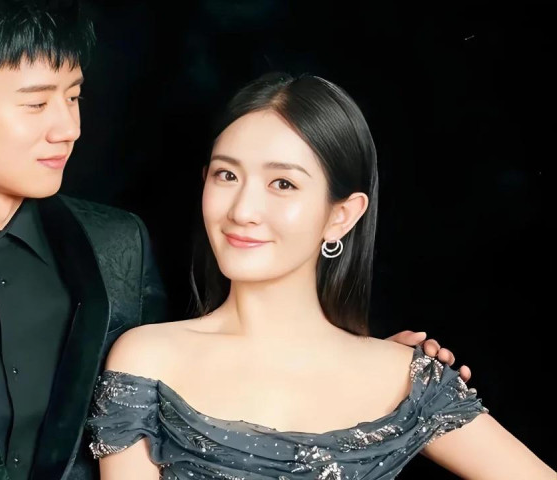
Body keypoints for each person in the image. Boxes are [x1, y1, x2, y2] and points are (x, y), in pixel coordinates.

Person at [0, 2, 467, 478]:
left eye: (74, 96)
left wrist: (372, 379)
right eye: (36, 104)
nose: (69, 127)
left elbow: (189, 386)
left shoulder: (118, 244)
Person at [86, 72, 555, 479]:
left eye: (283, 184)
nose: (243, 210)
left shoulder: (406, 378)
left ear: (342, 215)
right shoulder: (149, 359)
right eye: (227, 176)